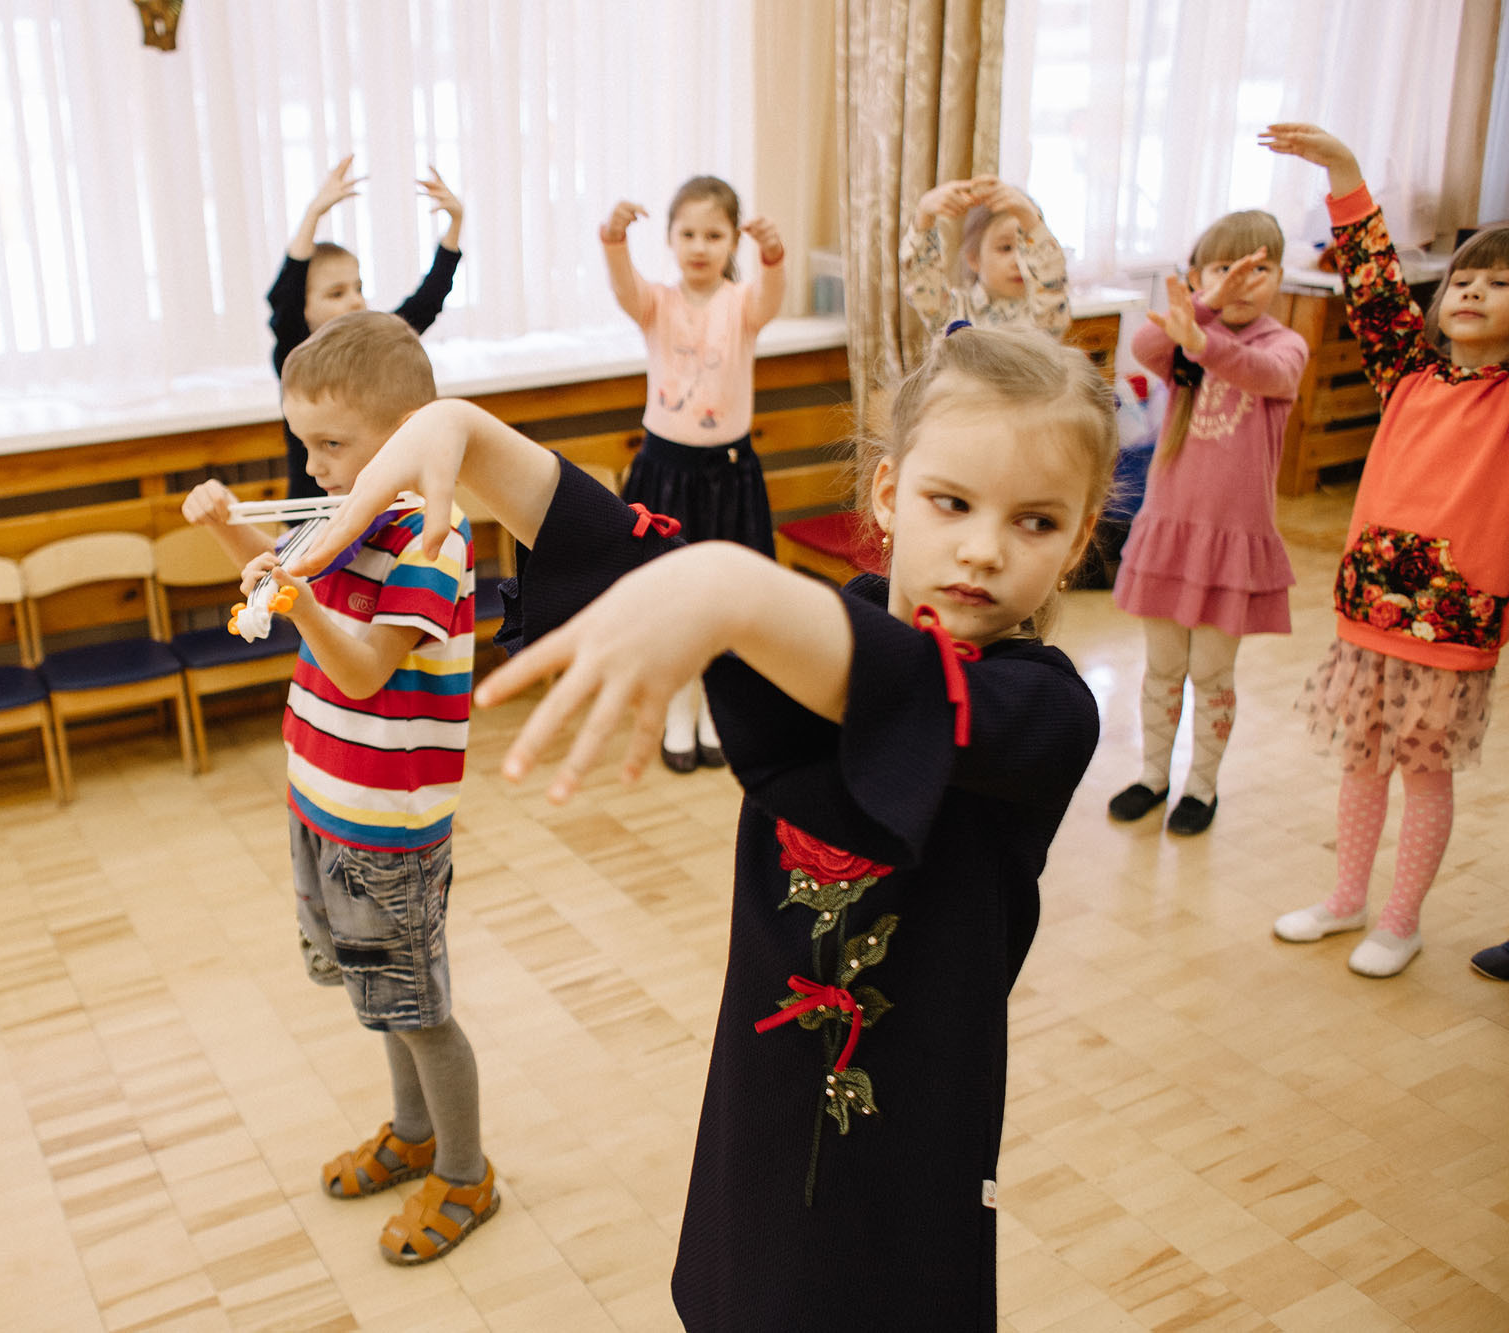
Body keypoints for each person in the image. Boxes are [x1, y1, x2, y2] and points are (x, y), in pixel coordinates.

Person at [289, 325, 1118, 1328]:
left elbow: (898, 686)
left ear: (1077, 542)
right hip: (758, 1129)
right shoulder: (807, 632)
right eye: (952, 503)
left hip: (907, 1174)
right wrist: (467, 432)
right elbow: (641, 554)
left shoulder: (1046, 713)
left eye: (1033, 522)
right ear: (890, 496)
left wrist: (729, 586)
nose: (983, 548)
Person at [181, 311, 495, 1263]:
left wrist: (303, 598)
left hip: (388, 824)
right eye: (303, 443)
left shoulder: (431, 541)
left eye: (331, 444)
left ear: (408, 436)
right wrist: (236, 531)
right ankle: (413, 1135)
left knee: (420, 1008)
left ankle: (467, 1171)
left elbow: (361, 668)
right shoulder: (341, 514)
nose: (314, 467)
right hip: (323, 801)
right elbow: (283, 581)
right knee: (377, 996)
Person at [1261, 123, 1509, 978]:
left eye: (1499, 283)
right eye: (1465, 279)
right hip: (1369, 610)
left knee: (1424, 772)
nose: (1473, 292)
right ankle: (1346, 899)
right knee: (1363, 761)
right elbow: (1372, 285)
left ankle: (1400, 920)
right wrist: (1346, 176)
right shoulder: (1409, 371)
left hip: (1454, 622)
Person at [1106, 212, 1307, 835]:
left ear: (1279, 276)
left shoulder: (1283, 344)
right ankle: (1153, 775)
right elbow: (1145, 349)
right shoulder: (1188, 334)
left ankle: (1202, 786)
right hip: (1169, 534)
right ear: (1198, 276)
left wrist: (1203, 336)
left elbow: (1263, 374)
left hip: (1232, 548)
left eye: (1259, 269)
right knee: (1163, 668)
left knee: (1212, 673)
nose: (1243, 281)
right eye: (1226, 268)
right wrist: (1204, 311)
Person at [600, 176, 786, 771]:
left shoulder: (742, 304)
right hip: (666, 474)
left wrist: (774, 255)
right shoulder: (658, 302)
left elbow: (770, 298)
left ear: (734, 238)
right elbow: (625, 288)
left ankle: (715, 704)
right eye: (688, 233)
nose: (700, 245)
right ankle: (676, 704)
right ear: (671, 239)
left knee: (728, 599)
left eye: (714, 233)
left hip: (730, 475)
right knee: (672, 599)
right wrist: (613, 240)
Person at [267, 155, 464, 500]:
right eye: (336, 293)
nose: (356, 301)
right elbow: (284, 300)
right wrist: (313, 214)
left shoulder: (377, 346)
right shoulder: (294, 351)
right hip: (312, 511)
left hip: (374, 507)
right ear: (305, 306)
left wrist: (456, 223)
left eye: (358, 288)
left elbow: (427, 301)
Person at [900, 176, 1071, 337]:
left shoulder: (1047, 312)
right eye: (1005, 248)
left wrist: (1027, 215)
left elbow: (1052, 276)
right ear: (974, 259)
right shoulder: (954, 313)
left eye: (1027, 250)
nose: (1019, 261)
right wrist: (924, 213)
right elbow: (919, 279)